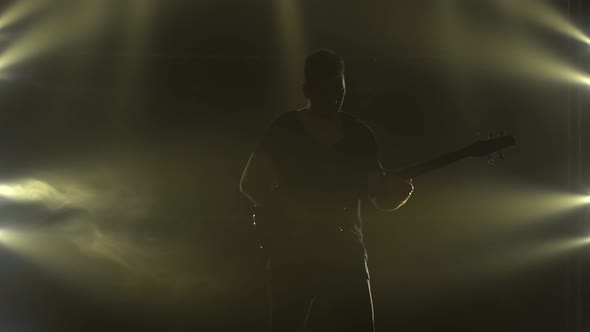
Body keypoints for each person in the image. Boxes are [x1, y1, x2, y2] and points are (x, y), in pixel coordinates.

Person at [239, 49, 414, 332]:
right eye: (327, 88)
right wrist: (293, 208)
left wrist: (399, 195)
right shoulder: (285, 128)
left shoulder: (359, 135)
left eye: (339, 87)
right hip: (293, 254)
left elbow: (379, 196)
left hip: (346, 253)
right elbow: (250, 184)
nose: (335, 95)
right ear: (308, 88)